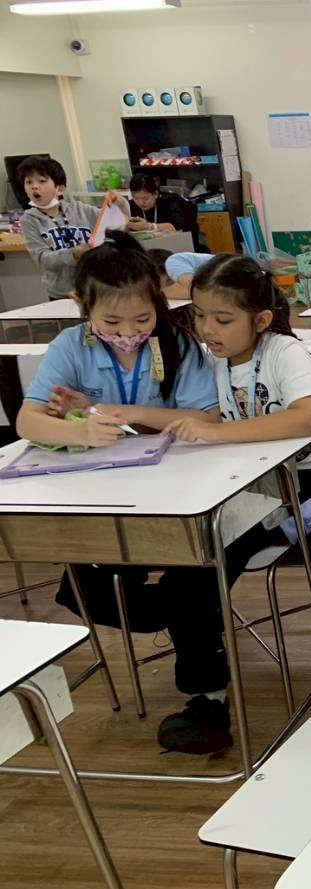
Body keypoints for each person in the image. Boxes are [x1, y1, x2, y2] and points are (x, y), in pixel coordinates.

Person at [161, 255, 311, 727]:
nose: (207, 329)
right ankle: (206, 697)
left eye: (223, 319)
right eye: (199, 315)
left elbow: (307, 418)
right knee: (192, 577)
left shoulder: (284, 352)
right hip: (252, 491)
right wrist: (130, 416)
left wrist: (217, 433)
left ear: (261, 320)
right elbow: (208, 415)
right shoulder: (212, 360)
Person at [17, 235, 224, 746]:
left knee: (190, 577)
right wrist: (80, 429)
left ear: (159, 303)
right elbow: (28, 420)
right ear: (81, 306)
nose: (128, 333)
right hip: (100, 495)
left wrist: (120, 413)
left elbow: (206, 417)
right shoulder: (70, 347)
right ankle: (172, 617)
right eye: (111, 322)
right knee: (82, 586)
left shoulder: (177, 345)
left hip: (177, 493)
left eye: (141, 320)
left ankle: (205, 693)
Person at [18, 156, 130, 300]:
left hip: (95, 287)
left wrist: (120, 203)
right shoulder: (29, 220)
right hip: (62, 294)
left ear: (60, 189)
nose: (34, 186)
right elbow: (42, 258)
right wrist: (73, 254)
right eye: (28, 182)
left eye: (42, 181)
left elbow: (117, 224)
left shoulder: (80, 209)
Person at [126, 174, 195, 237]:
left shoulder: (170, 201)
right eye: (136, 198)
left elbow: (177, 227)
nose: (141, 202)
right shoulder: (130, 205)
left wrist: (149, 226)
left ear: (155, 194)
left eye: (145, 198)